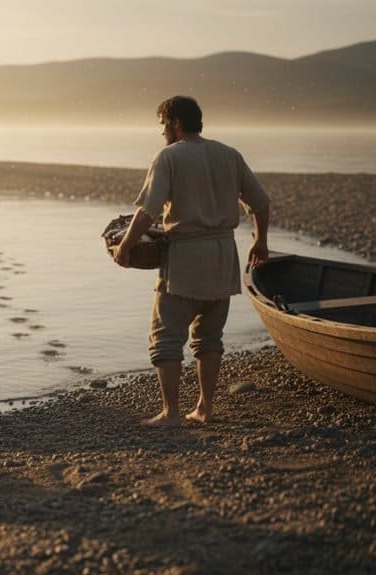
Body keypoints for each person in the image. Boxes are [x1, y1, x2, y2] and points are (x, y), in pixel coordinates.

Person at [114, 96, 271, 427]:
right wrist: (260, 241)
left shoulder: (169, 156)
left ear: (175, 123)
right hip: (223, 256)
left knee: (165, 337)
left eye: (163, 125)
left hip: (185, 259)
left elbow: (148, 211)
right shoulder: (229, 154)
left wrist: (125, 245)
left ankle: (170, 413)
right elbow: (260, 202)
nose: (161, 132)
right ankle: (204, 409)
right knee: (209, 337)